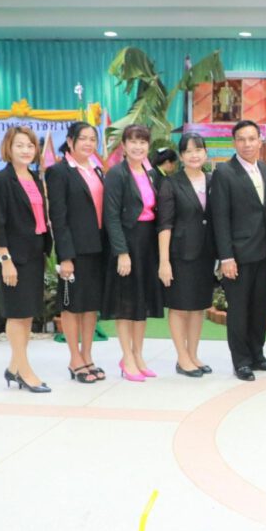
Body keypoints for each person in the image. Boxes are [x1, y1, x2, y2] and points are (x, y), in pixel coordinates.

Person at [210, 120, 266, 381]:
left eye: (252, 139)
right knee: (239, 310)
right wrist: (226, 256)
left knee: (258, 307)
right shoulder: (224, 172)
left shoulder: (264, 169)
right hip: (237, 256)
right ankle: (241, 361)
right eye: (241, 139)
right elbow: (220, 217)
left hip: (263, 252)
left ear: (260, 141)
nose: (247, 144)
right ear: (234, 142)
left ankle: (257, 356)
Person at [0, 126, 53, 393]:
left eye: (30, 145)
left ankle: (14, 367)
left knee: (27, 314)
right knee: (16, 313)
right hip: (12, 257)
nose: (26, 150)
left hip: (34, 254)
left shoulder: (35, 177)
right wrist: (5, 259)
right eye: (20, 145)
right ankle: (25, 372)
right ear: (9, 148)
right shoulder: (1, 180)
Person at [102, 124, 165, 382]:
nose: (138, 147)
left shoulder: (151, 173)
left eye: (143, 142)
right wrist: (122, 252)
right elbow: (111, 216)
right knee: (126, 303)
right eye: (133, 142)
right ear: (124, 146)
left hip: (148, 243)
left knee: (142, 302)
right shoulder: (117, 174)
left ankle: (138, 355)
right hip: (127, 242)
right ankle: (126, 357)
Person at [46, 121, 106, 384]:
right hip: (75, 252)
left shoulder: (96, 170)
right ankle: (74, 359)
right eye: (83, 138)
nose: (89, 143)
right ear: (70, 141)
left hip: (97, 249)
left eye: (93, 139)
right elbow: (58, 218)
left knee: (90, 306)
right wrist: (65, 257)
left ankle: (87, 356)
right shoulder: (59, 172)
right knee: (71, 306)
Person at [157, 133, 216, 377]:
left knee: (198, 307)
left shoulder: (213, 180)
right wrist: (164, 262)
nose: (194, 155)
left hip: (206, 254)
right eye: (188, 151)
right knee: (180, 307)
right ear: (181, 156)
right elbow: (165, 224)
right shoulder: (171, 183)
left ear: (205, 153)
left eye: (198, 150)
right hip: (179, 255)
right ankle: (182, 358)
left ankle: (193, 354)